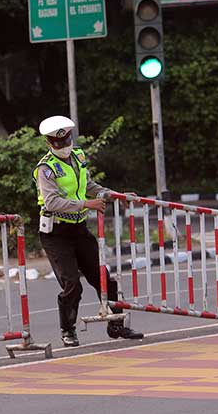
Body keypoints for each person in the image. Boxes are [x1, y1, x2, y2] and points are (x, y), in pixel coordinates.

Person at [34, 115, 144, 347]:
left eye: (66, 141)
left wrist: (116, 195)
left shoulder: (79, 156)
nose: (64, 147)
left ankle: (116, 325)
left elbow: (89, 186)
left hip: (79, 230)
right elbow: (52, 202)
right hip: (56, 234)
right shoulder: (46, 168)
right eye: (58, 143)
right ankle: (68, 330)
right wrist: (86, 204)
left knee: (104, 278)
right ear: (49, 143)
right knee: (72, 283)